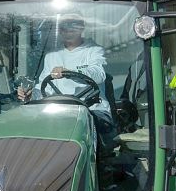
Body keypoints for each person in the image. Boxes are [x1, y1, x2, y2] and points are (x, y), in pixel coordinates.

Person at [18, 13, 117, 150]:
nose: (68, 31)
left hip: (93, 111)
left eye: (73, 27)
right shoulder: (52, 56)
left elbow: (99, 74)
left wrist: (68, 71)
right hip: (60, 113)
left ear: (82, 27)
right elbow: (43, 88)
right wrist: (30, 95)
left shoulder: (94, 50)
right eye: (64, 27)